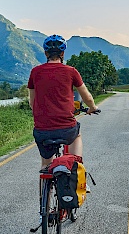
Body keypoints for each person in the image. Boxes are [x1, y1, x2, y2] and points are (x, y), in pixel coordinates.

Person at [27, 34, 98, 171]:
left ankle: (45, 187)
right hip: (67, 129)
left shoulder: (35, 72)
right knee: (77, 134)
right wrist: (92, 107)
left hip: (42, 130)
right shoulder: (71, 71)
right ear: (63, 53)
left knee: (46, 166)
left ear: (45, 53)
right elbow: (87, 97)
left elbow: (32, 103)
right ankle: (77, 168)